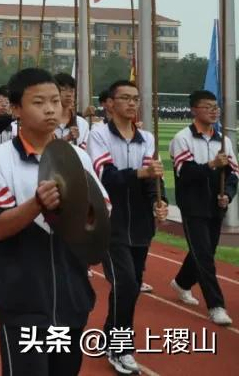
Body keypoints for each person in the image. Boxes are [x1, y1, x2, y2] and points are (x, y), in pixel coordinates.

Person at [0, 68, 109, 376]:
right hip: (23, 299)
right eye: (38, 102)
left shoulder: (79, 158)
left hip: (71, 296)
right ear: (17, 109)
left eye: (55, 101)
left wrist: (82, 209)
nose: (51, 109)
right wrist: (37, 204)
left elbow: (100, 218)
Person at [86, 80, 168, 375]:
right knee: (126, 284)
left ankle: (110, 335)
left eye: (136, 98)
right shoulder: (98, 135)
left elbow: (154, 179)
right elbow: (105, 176)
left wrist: (161, 201)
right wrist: (140, 172)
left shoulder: (146, 137)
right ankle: (121, 348)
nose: (132, 103)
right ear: (109, 103)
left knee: (129, 286)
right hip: (111, 221)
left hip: (142, 224)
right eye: (125, 98)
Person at [168, 89, 237, 326]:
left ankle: (182, 282)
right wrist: (210, 165)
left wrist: (227, 194)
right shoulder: (182, 138)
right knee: (205, 256)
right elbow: (185, 173)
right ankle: (216, 305)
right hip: (192, 206)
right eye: (207, 106)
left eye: (215, 106)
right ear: (194, 110)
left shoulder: (224, 141)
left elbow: (233, 175)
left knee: (204, 251)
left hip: (215, 206)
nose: (214, 110)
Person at [54, 73, 90, 148]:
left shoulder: (82, 124)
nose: (69, 94)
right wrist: (66, 138)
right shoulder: (45, 122)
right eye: (63, 90)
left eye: (72, 91)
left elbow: (85, 152)